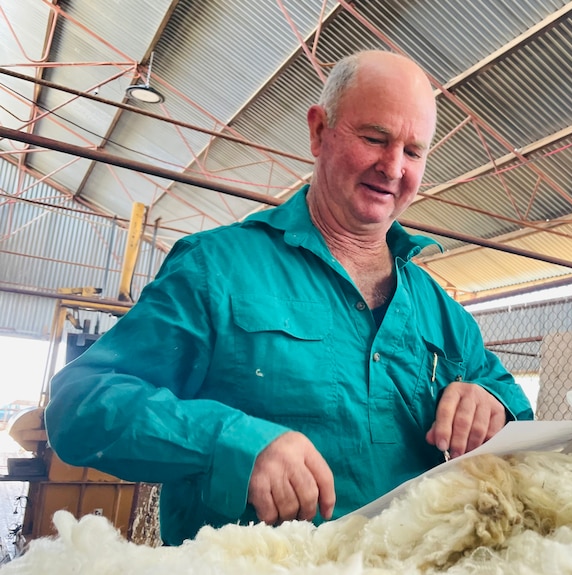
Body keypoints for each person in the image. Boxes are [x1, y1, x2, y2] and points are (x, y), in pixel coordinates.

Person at [45, 50, 534, 546]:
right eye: (374, 138)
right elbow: (78, 406)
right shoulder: (216, 269)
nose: (392, 167)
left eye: (413, 151)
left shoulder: (439, 309)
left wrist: (493, 403)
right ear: (320, 131)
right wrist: (229, 441)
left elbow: (514, 409)